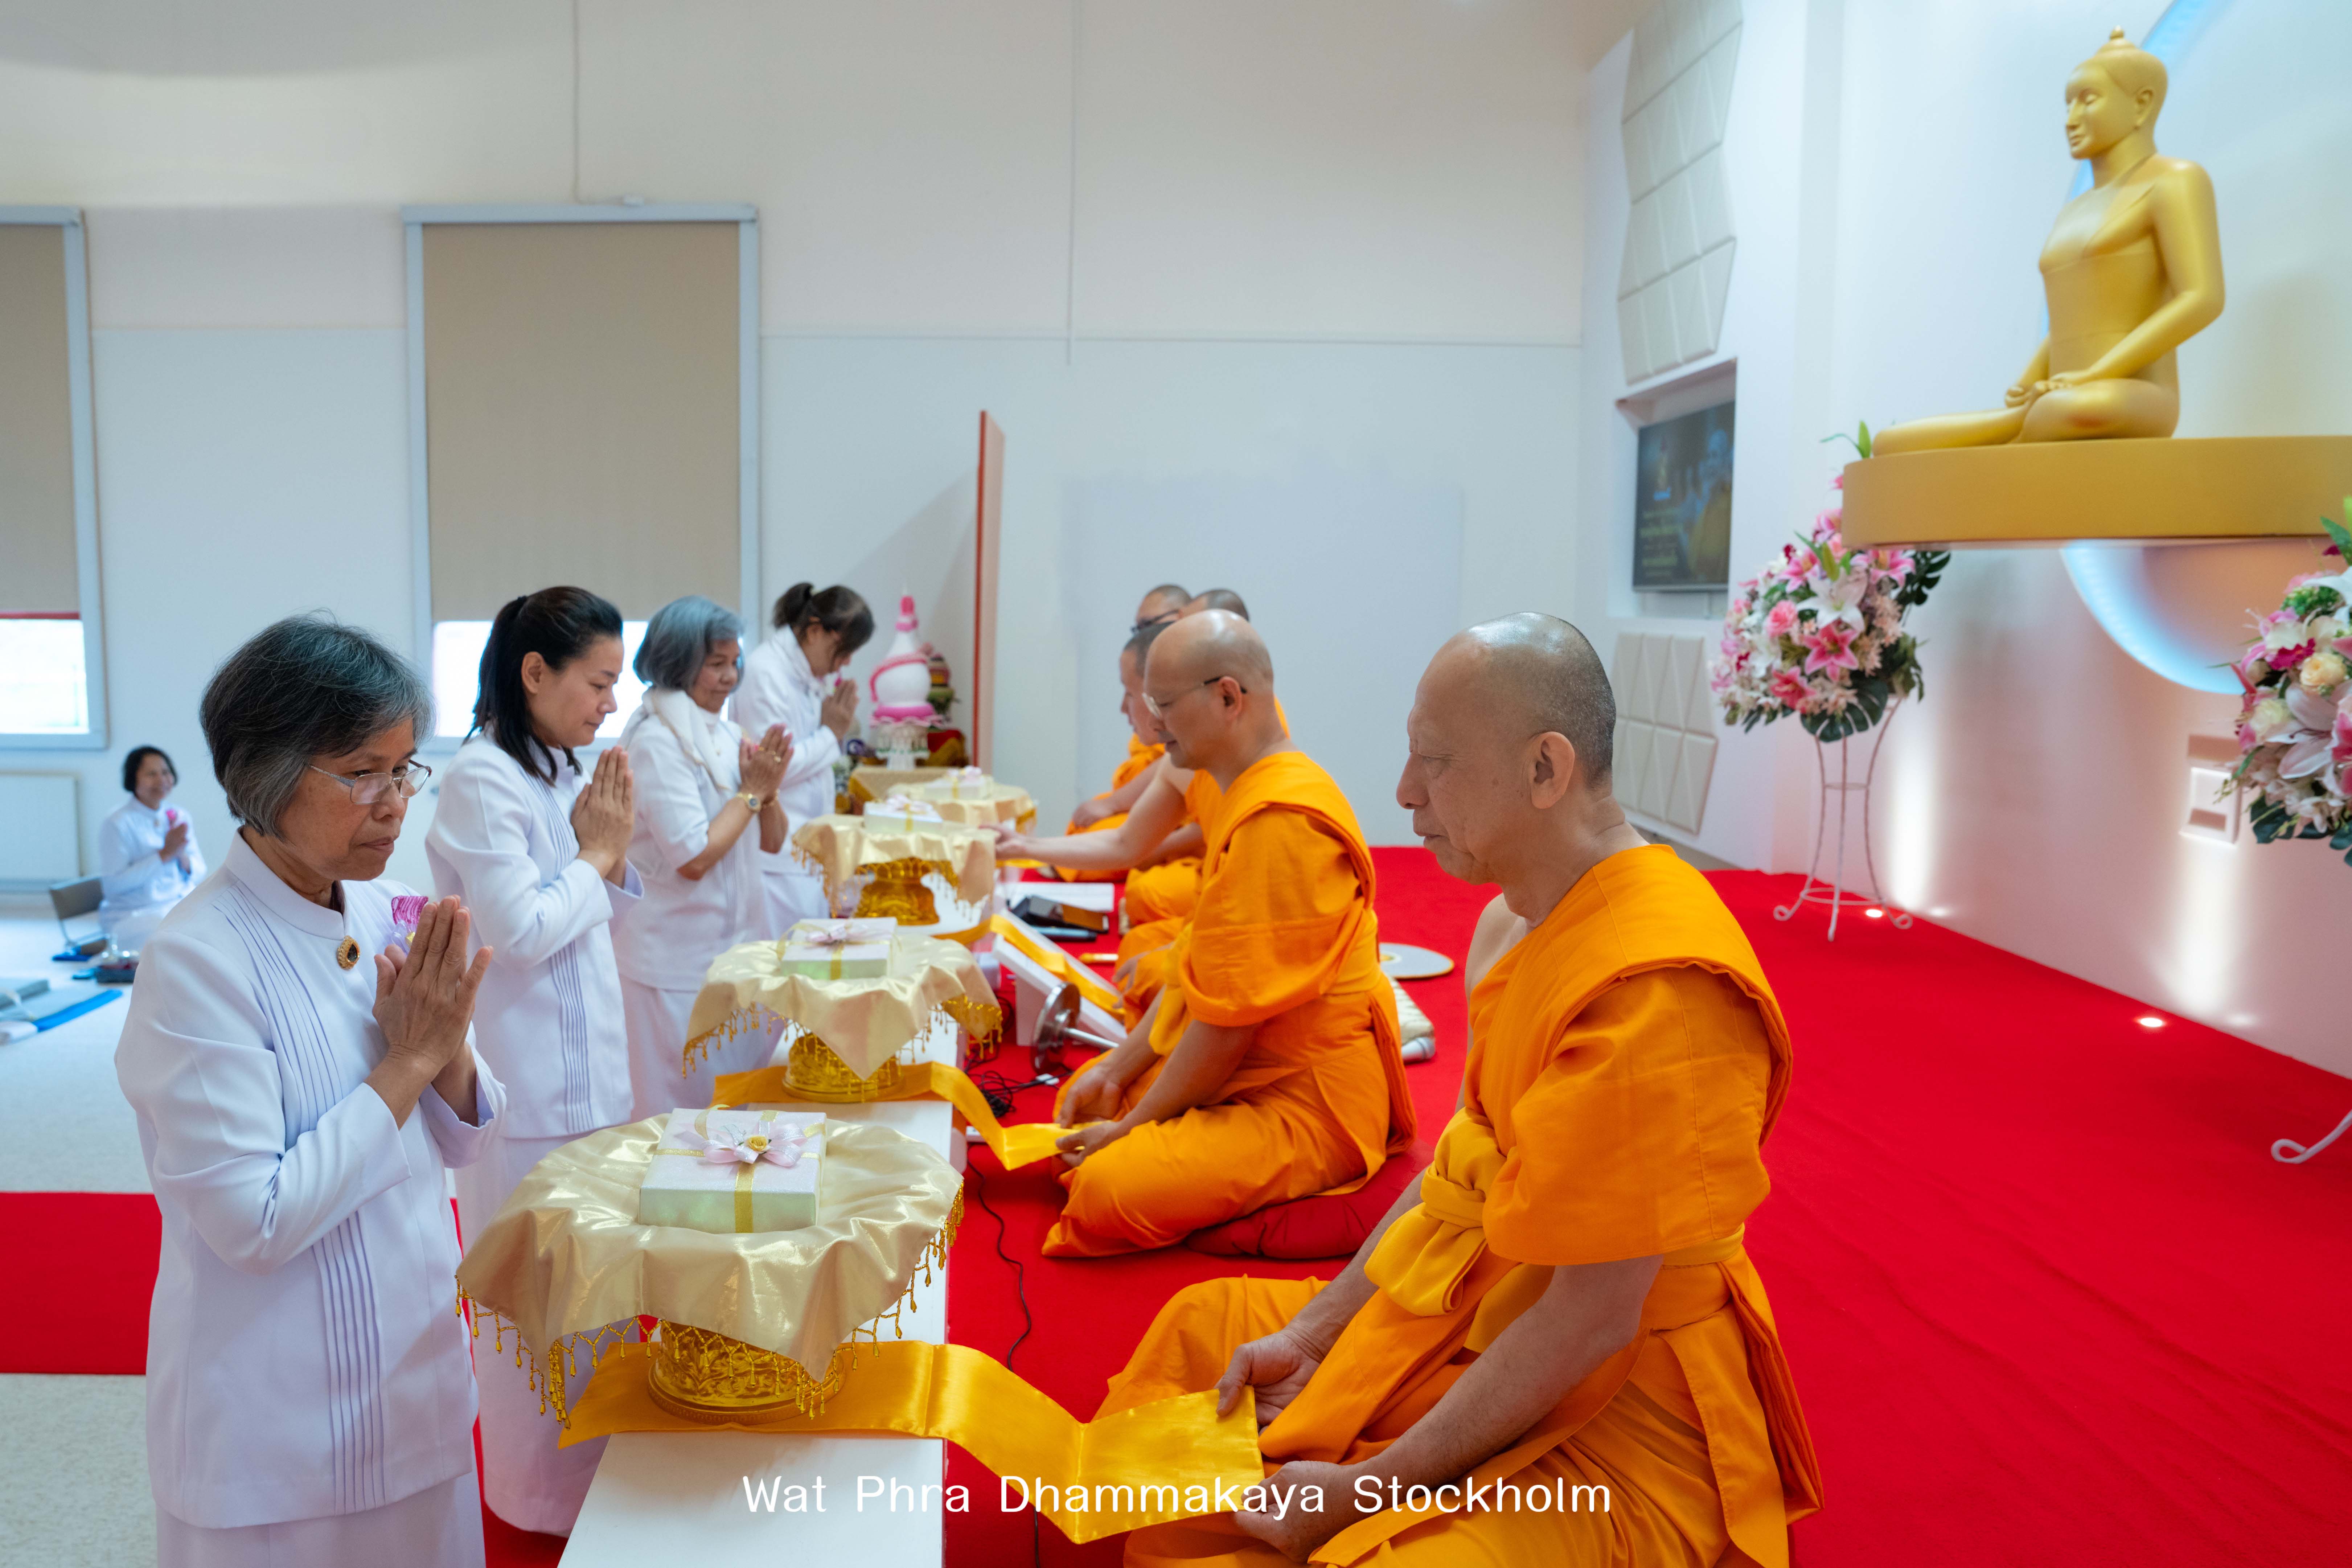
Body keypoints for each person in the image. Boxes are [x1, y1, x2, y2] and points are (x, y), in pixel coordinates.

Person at [1102, 613, 1821, 1567]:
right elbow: (1462, 1161)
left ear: (1543, 769)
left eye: (1431, 763)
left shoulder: (1660, 991)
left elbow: (1590, 1315)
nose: (1401, 794)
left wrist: (1371, 1484)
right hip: (1478, 1298)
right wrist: (1319, 1330)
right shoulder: (1505, 925)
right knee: (1201, 1337)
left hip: (1613, 1403)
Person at [115, 615, 505, 1568]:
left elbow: (467, 1133)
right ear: (268, 775)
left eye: (406, 768)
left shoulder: (386, 905)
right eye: (363, 773)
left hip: (412, 1378)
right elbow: (255, 1221)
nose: (395, 804)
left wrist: (445, 1051)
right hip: (277, 1435)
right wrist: (407, 1063)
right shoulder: (197, 960)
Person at [1038, 611, 1414, 1256]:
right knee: (1087, 1105)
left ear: (1227, 697)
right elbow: (1197, 958)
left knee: (1105, 1187)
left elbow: (1227, 1026)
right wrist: (1120, 1068)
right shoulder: (1246, 790)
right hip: (1251, 1065)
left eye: (1163, 705)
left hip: (1305, 1100)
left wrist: (1131, 1126)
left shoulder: (1280, 819)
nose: (1152, 726)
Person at [423, 587, 640, 1536]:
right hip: (526, 1085)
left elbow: (592, 916)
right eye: (598, 681)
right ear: (535, 673)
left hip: (590, 1068)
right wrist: (597, 858)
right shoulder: (481, 780)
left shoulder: (556, 767)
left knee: (598, 1300)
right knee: (536, 1314)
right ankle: (538, 1504)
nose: (610, 701)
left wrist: (604, 858)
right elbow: (517, 931)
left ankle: (600, 1486)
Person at [611, 595, 792, 1117]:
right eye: (716, 664)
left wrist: (769, 791)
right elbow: (692, 856)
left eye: (734, 662)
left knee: (736, 1105)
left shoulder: (726, 732)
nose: (730, 677)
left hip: (733, 949)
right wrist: (752, 794)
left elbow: (772, 840)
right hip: (674, 961)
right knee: (685, 1116)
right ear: (678, 663)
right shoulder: (656, 741)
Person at [733, 582, 873, 931]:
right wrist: (831, 734)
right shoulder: (766, 673)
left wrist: (830, 733)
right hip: (778, 859)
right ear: (814, 632)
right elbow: (771, 770)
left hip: (804, 850)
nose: (847, 661)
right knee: (788, 968)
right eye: (843, 650)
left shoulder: (803, 674)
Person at [1060, 585, 1194, 851]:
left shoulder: (1205, 700)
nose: (1124, 709)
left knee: (1150, 889)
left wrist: (1154, 852)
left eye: (1147, 624)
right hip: (1164, 807)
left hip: (1190, 827)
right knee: (1086, 831)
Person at [98, 744, 207, 948]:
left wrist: (182, 856)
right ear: (133, 779)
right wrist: (164, 855)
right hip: (134, 915)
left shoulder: (179, 816)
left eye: (166, 772)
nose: (161, 780)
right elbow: (113, 886)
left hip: (175, 903)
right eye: (151, 774)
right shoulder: (118, 822)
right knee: (177, 930)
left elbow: (200, 870)